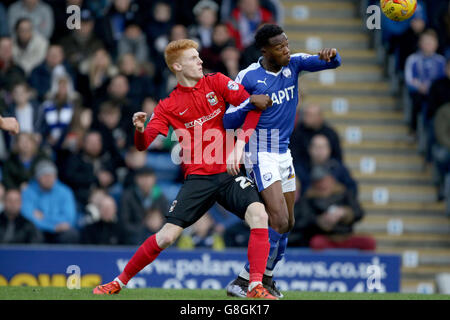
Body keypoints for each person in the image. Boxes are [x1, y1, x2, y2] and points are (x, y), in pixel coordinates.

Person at [93, 39, 277, 299]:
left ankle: (255, 286)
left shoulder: (218, 82)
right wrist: (138, 130)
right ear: (177, 66)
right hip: (198, 179)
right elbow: (144, 144)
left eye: (199, 56)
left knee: (259, 215)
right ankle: (118, 282)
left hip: (229, 173)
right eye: (193, 58)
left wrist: (239, 146)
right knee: (167, 237)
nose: (200, 61)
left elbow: (253, 106)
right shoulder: (167, 106)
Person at [222, 24, 341, 298]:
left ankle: (268, 278)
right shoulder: (249, 76)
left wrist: (331, 55)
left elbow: (333, 62)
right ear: (265, 51)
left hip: (283, 153)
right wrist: (251, 102)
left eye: (287, 44)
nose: (286, 50)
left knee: (288, 223)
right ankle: (244, 280)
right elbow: (228, 119)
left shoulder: (295, 64)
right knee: (276, 218)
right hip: (260, 153)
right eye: (280, 47)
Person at [290, 165, 376, 251]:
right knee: (316, 242)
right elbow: (305, 220)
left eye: (324, 180)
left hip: (347, 236)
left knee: (369, 242)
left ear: (331, 179)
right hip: (325, 237)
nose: (322, 184)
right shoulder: (309, 198)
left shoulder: (344, 193)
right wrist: (321, 220)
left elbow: (359, 213)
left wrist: (344, 213)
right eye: (318, 181)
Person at [21, 160, 79, 244]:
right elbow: (28, 217)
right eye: (45, 176)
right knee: (31, 232)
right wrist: (51, 227)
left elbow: (69, 217)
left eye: (51, 176)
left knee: (71, 234)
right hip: (39, 230)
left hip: (60, 230)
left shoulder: (65, 192)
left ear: (56, 177)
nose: (48, 179)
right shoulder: (28, 191)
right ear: (38, 178)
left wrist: (44, 218)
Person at [405, 29, 446, 133]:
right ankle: (415, 129)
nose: (428, 45)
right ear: (420, 43)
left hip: (436, 94)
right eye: (426, 42)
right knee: (417, 100)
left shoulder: (441, 61)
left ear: (436, 44)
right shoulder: (413, 59)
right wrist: (419, 86)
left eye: (431, 42)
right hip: (419, 92)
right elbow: (409, 79)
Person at [119, 166, 168, 244]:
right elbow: (123, 224)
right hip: (134, 241)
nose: (146, 181)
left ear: (154, 179)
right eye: (142, 177)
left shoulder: (160, 196)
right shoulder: (128, 196)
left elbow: (168, 222)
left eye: (148, 177)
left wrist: (159, 224)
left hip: (156, 239)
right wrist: (145, 225)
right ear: (136, 179)